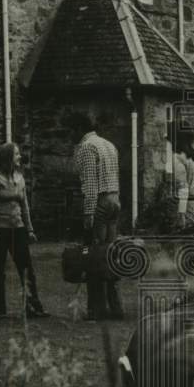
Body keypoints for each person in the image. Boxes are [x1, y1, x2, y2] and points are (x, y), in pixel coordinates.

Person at [0, 142, 47, 319]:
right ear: (7, 157)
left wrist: (30, 229)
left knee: (26, 268)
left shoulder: (20, 178)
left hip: (17, 229)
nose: (19, 157)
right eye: (16, 154)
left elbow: (24, 207)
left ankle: (33, 308)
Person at [73, 115, 123, 320]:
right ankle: (116, 307)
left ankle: (97, 309)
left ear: (79, 129)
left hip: (101, 202)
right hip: (114, 199)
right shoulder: (109, 145)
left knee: (94, 256)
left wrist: (88, 212)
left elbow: (91, 184)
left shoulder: (86, 147)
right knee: (110, 257)